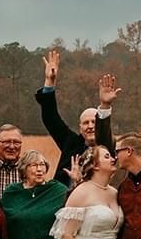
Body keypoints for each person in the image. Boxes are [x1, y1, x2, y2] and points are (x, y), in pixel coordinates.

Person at [34, 49, 114, 186]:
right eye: (85, 123)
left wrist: (105, 105)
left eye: (94, 122)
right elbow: (50, 118)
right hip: (67, 201)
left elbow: (105, 131)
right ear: (80, 128)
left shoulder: (108, 147)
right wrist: (49, 82)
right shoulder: (71, 143)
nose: (90, 126)